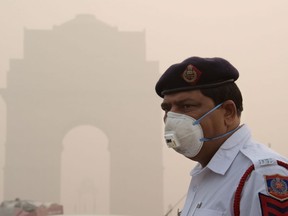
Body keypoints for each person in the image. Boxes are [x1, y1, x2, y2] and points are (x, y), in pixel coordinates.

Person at [155, 56, 288, 216]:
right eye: (167, 108)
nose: (172, 117)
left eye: (187, 106)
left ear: (228, 112)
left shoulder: (260, 174)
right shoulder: (206, 174)